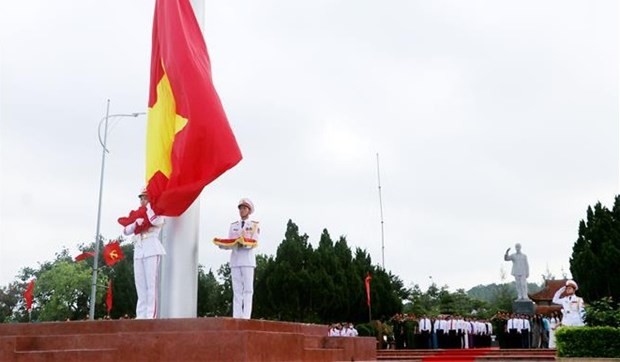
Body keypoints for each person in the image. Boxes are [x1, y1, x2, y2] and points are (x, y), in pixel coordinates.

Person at [121, 188, 165, 319]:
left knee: (151, 285)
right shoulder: (138, 214)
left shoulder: (156, 212)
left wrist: (150, 207)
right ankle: (141, 315)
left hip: (151, 247)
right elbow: (126, 230)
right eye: (141, 198)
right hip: (139, 249)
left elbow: (155, 221)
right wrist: (135, 223)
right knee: (140, 285)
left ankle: (150, 315)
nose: (142, 200)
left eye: (145, 198)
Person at [226, 198, 259, 319]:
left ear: (249, 211)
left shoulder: (254, 225)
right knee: (237, 289)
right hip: (235, 259)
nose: (241, 211)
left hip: (247, 260)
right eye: (240, 208)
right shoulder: (233, 225)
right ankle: (237, 316)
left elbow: (255, 241)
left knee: (248, 289)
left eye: (244, 208)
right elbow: (229, 240)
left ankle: (246, 316)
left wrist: (243, 243)